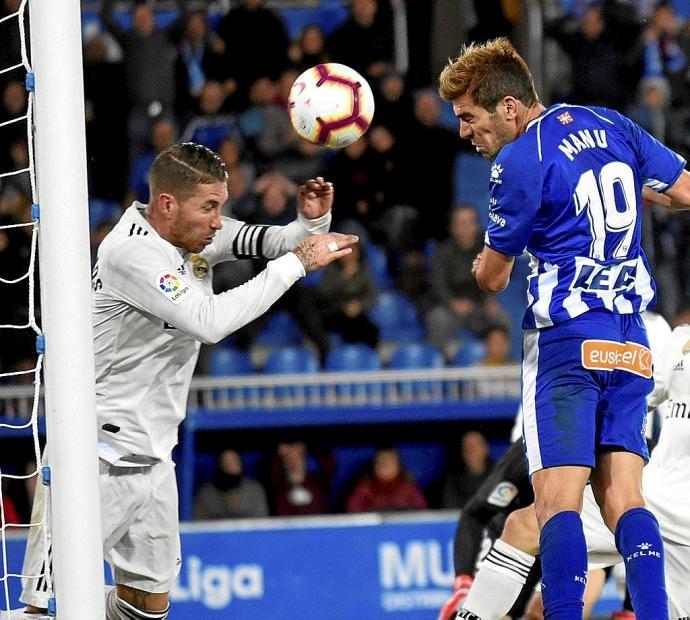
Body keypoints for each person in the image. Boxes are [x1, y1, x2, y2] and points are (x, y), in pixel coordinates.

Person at [17, 142, 357, 619]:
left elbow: (272, 241)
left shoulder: (192, 235)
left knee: (148, 603)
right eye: (210, 207)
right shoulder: (131, 252)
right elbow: (209, 321)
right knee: (49, 607)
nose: (219, 220)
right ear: (167, 204)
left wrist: (311, 225)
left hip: (154, 457)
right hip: (94, 454)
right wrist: (298, 262)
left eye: (221, 205)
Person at [438, 37, 690, 618]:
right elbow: (681, 191)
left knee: (557, 505)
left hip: (567, 344)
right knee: (626, 499)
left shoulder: (519, 160)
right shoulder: (613, 124)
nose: (464, 133)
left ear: (508, 108)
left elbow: (493, 278)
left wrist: (482, 261)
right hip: (630, 341)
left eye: (468, 117)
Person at [454, 319, 690, 620]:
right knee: (523, 527)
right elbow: (635, 399)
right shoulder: (680, 343)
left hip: (657, 508)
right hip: (658, 499)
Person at [192, 449, 269, 520]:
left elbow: (261, 522)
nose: (230, 466)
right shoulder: (206, 493)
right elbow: (198, 523)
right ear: (219, 465)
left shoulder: (254, 490)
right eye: (226, 463)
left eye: (234, 462)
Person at [345, 447, 428, 513]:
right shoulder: (365, 488)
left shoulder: (408, 487)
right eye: (382, 463)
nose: (386, 467)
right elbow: (353, 509)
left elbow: (421, 509)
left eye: (390, 463)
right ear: (374, 466)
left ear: (399, 466)